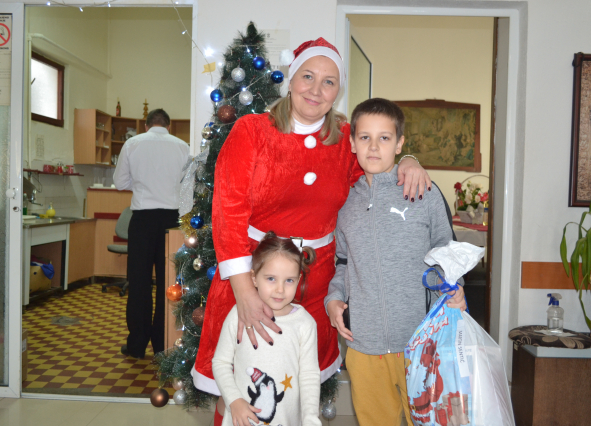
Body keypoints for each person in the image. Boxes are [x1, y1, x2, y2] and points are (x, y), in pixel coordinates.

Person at [193, 37, 432, 425]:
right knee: (239, 385)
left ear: (338, 91)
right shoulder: (252, 131)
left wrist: (408, 160)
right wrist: (244, 291)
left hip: (315, 286)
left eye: (329, 82)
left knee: (296, 386)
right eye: (307, 76)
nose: (316, 90)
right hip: (252, 277)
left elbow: (377, 162)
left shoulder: (345, 140)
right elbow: (227, 211)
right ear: (290, 79)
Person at [324, 98, 466, 426]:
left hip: (422, 343)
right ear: (352, 143)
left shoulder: (424, 192)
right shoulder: (345, 204)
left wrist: (454, 288)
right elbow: (342, 262)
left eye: (384, 138)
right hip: (364, 347)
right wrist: (334, 298)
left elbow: (447, 252)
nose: (374, 147)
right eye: (365, 137)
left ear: (399, 144)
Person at [212, 232, 321, 426]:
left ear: (298, 279)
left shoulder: (304, 323)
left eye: (289, 280)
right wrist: (234, 401)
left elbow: (309, 376)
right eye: (271, 278)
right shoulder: (238, 314)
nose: (280, 289)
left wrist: (311, 419)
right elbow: (220, 362)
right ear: (254, 278)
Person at [113, 108, 189, 358]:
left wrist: (141, 183)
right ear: (168, 126)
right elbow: (188, 186)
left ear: (146, 126)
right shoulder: (182, 146)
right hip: (172, 221)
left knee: (139, 283)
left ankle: (137, 345)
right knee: (169, 283)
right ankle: (163, 344)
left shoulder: (133, 144)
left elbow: (120, 183)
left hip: (143, 220)